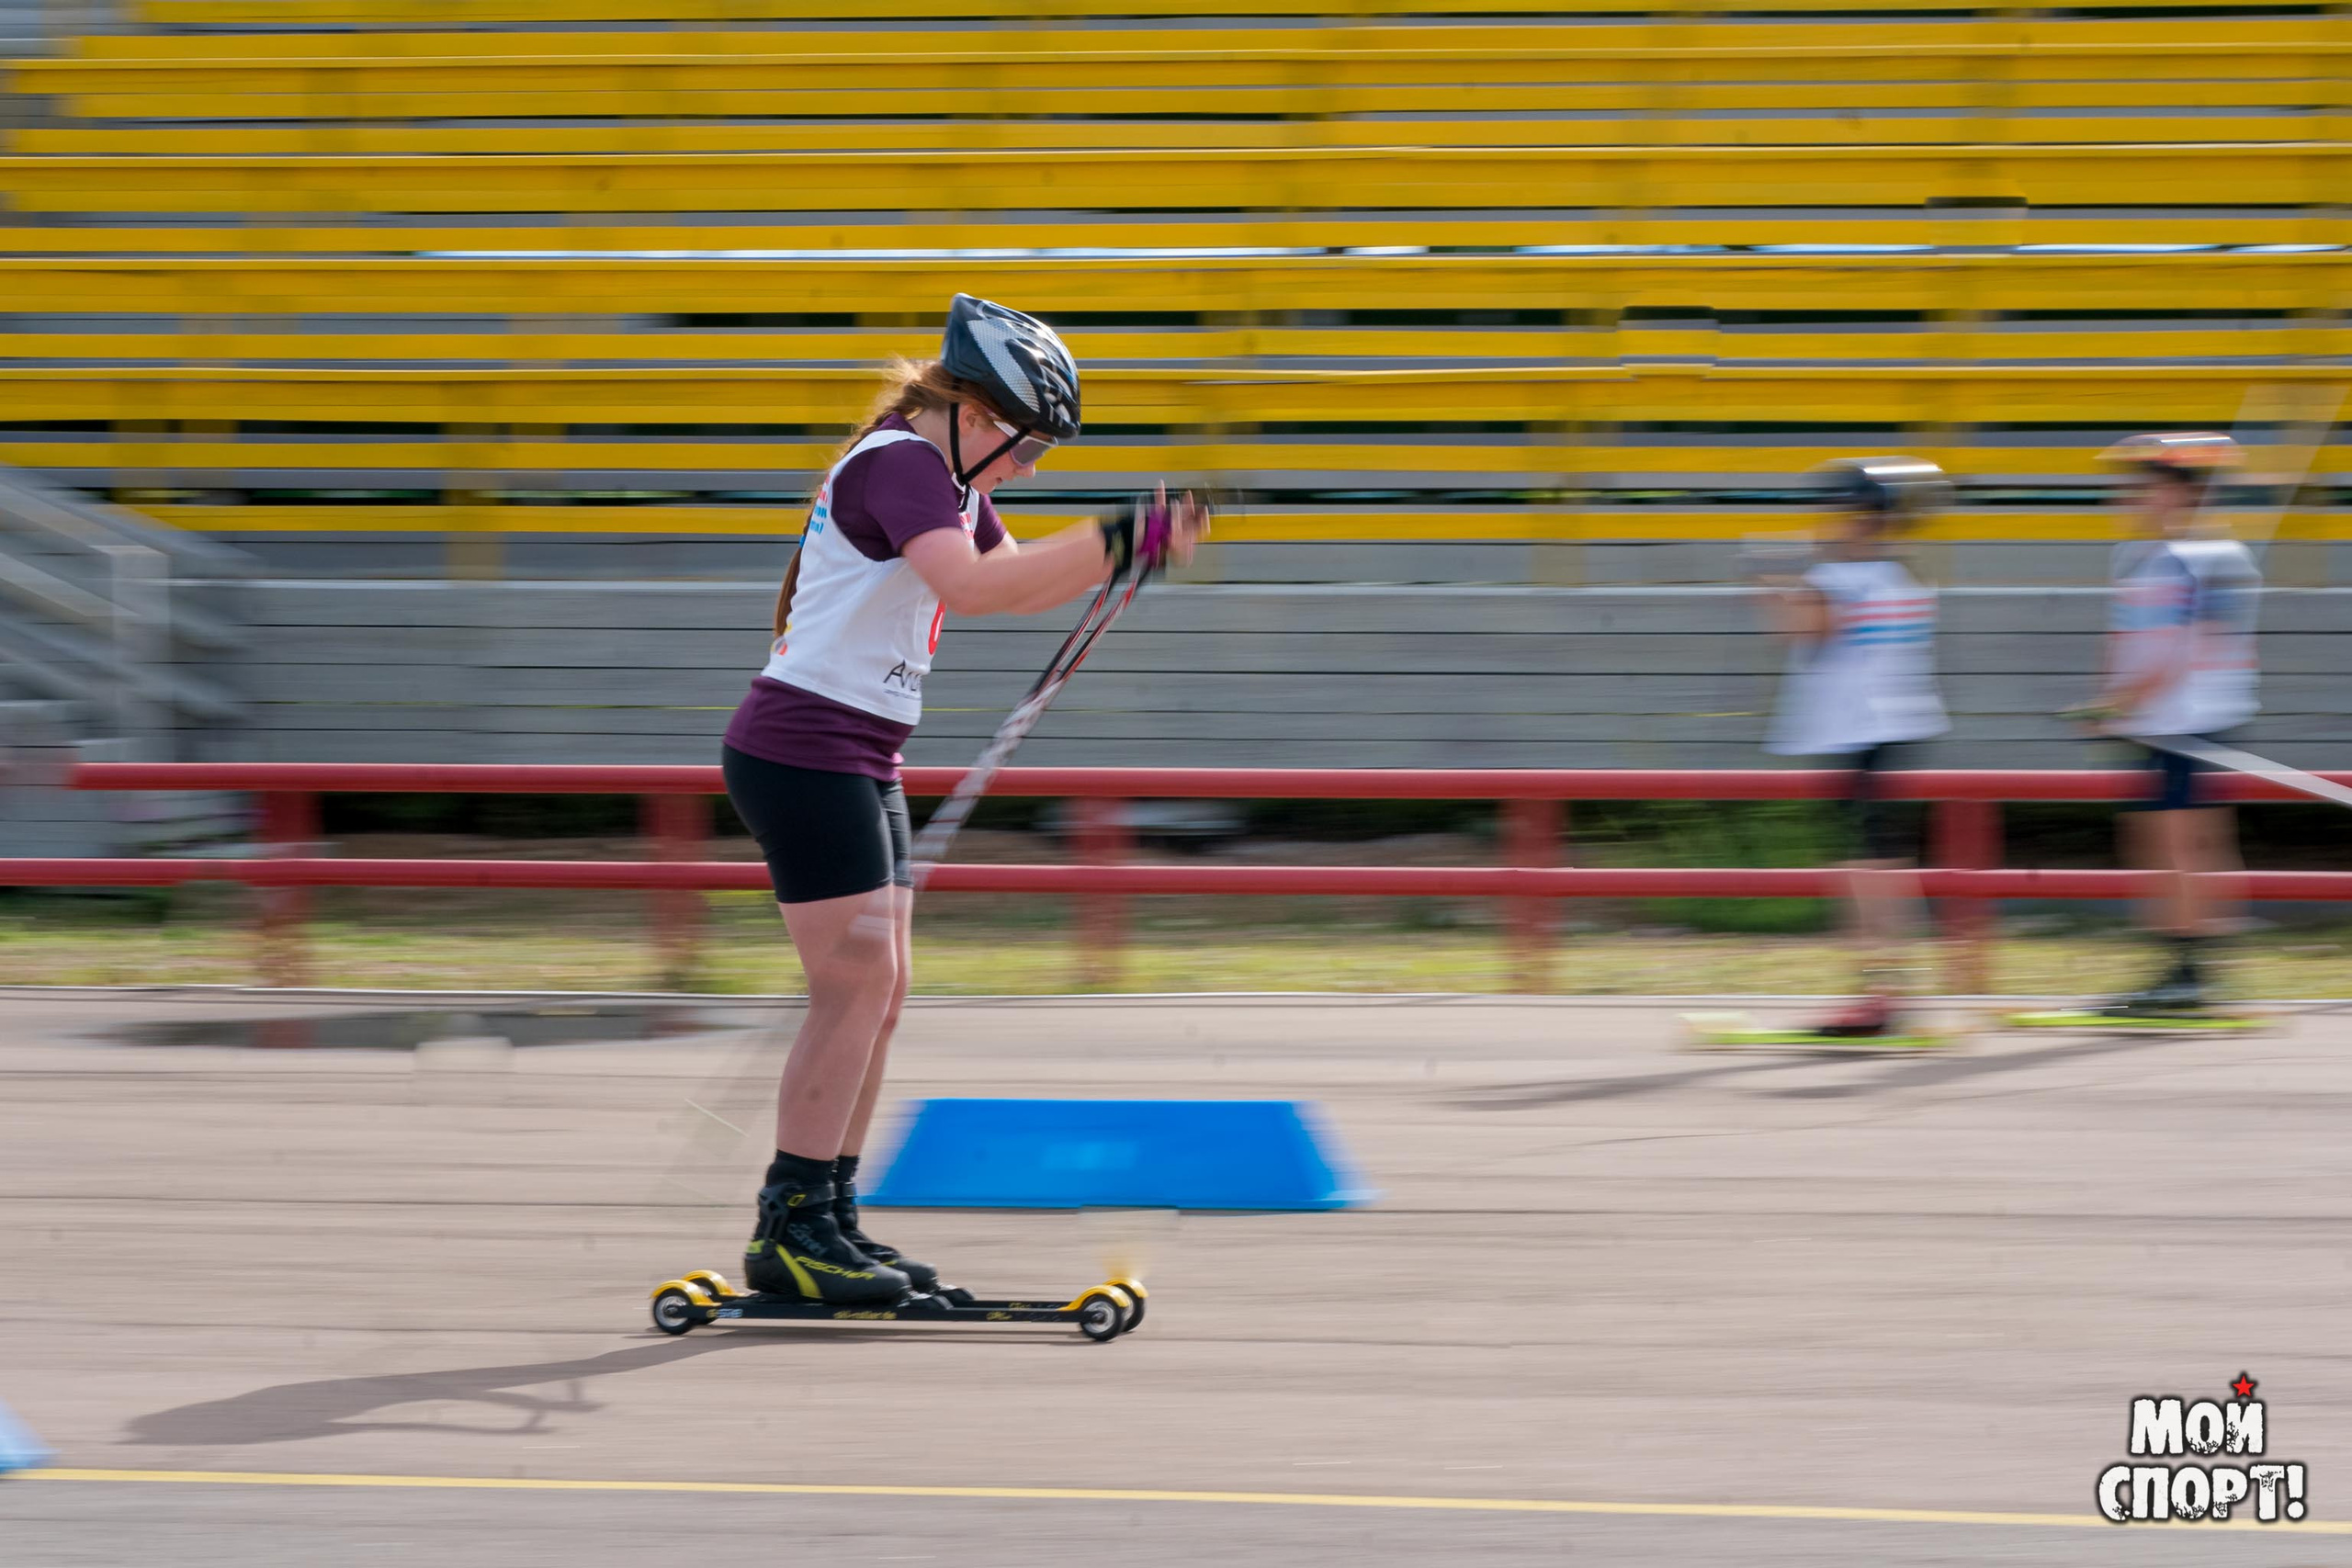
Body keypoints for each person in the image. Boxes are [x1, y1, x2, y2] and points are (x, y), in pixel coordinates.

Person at [719, 295, 1208, 1302]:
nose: (1028, 471)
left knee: (879, 992)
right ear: (977, 415)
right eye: (1027, 450)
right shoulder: (900, 463)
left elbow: (1013, 582)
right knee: (854, 984)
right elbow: (979, 589)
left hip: (858, 752)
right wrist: (1125, 537)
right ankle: (792, 1226)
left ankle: (829, 1217)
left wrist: (1129, 549)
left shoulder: (943, 477)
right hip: (804, 746)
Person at [1762, 457, 1953, 1037]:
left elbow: (1807, 635)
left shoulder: (1839, 578)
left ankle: (1877, 992)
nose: (1830, 521)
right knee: (1880, 867)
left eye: (1841, 512)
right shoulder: (1904, 577)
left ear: (1864, 518)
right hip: (1893, 732)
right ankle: (1887, 988)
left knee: (1862, 871)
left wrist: (1774, 588)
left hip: (1858, 734)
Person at [2072, 432, 2257, 1015]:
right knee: (2169, 845)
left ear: (2181, 492)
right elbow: (2128, 641)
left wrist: (2114, 704)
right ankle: (2193, 969)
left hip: (2186, 723)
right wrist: (2111, 699)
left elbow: (2177, 651)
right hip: (2161, 723)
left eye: (2142, 486)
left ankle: (2188, 973)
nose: (2127, 497)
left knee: (2180, 848)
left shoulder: (2199, 559)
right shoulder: (2149, 558)